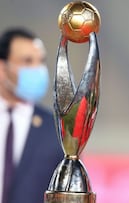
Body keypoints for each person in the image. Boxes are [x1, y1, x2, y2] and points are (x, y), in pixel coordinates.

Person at [0, 27, 63, 203]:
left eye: (41, 61)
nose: (38, 69)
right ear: (2, 68)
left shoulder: (56, 129)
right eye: (27, 61)